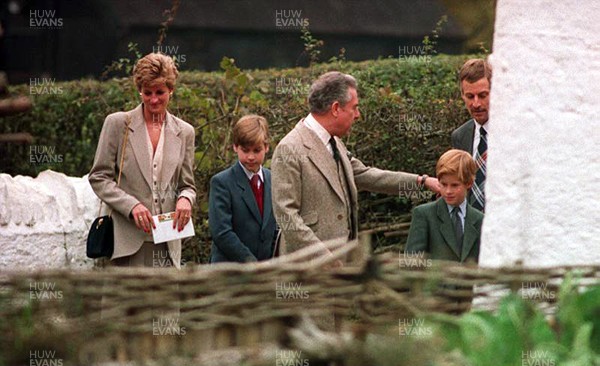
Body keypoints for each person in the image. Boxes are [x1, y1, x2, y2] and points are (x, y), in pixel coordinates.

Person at [271, 71, 440, 268]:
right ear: (335, 108)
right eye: (354, 108)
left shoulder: (335, 142)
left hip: (342, 267)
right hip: (308, 271)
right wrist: (324, 257)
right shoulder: (289, 148)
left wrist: (422, 182)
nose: (358, 115)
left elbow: (367, 175)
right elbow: (286, 215)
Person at [89, 52, 196, 268]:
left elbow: (188, 185)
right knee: (126, 303)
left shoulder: (185, 132)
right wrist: (132, 206)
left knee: (166, 303)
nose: (153, 99)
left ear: (171, 90)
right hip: (125, 244)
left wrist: (186, 199)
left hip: (167, 243)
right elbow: (99, 177)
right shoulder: (118, 124)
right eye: (147, 93)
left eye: (160, 92)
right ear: (140, 90)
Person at [209, 115, 277, 263]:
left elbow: (275, 228)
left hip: (266, 273)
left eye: (257, 150)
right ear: (235, 147)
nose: (251, 157)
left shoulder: (273, 179)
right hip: (230, 274)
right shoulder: (222, 182)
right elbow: (221, 233)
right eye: (245, 150)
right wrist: (251, 263)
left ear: (266, 147)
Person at [405, 149, 483, 263]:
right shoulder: (424, 215)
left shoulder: (480, 219)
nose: (448, 191)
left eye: (455, 185)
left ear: (469, 184)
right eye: (443, 184)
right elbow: (411, 263)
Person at [451, 58, 492, 212]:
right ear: (462, 96)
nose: (476, 104)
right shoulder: (460, 137)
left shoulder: (512, 133)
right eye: (470, 96)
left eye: (482, 95)